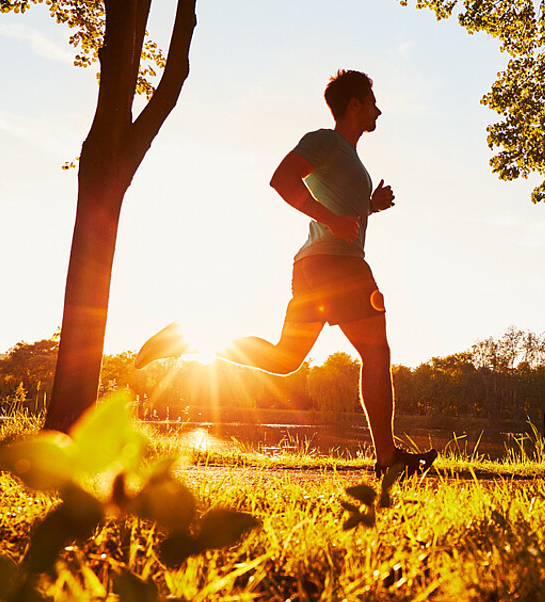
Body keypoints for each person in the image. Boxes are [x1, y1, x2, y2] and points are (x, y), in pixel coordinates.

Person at [137, 70, 435, 478]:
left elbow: (343, 211)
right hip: (339, 265)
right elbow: (281, 179)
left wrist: (370, 206)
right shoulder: (325, 141)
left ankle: (187, 340)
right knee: (377, 353)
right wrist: (331, 219)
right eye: (372, 101)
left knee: (284, 359)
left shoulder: (348, 156)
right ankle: (387, 460)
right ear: (354, 105)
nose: (378, 109)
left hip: (317, 266)